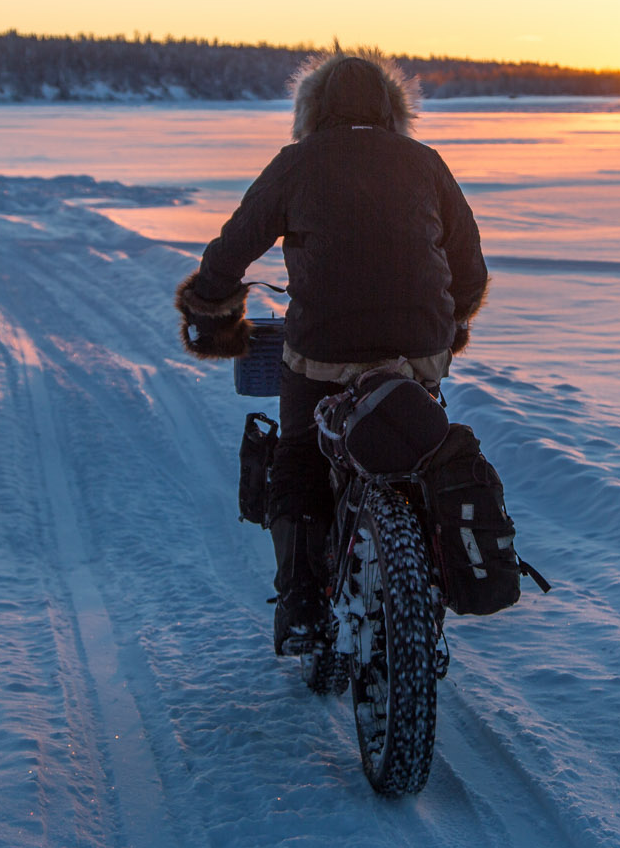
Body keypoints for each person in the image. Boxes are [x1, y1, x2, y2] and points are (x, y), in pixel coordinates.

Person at [174, 50, 488, 654]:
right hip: (418, 352)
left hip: (323, 352)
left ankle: (300, 603)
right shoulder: (426, 165)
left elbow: (233, 250)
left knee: (297, 452)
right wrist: (450, 327)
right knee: (417, 438)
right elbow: (469, 270)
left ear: (310, 111)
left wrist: (211, 308)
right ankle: (421, 572)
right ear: (394, 111)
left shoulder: (297, 163)